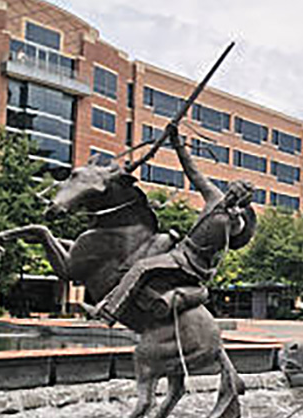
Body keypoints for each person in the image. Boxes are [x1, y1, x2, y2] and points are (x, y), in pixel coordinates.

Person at [84, 126, 257, 325]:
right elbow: (192, 171)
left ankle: (107, 317)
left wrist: (235, 218)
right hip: (180, 251)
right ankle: (108, 302)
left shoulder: (235, 220)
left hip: (193, 264)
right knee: (138, 258)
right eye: (232, 192)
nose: (231, 198)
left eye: (237, 197)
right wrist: (177, 142)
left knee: (142, 267)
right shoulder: (213, 196)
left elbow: (236, 231)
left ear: (242, 202)